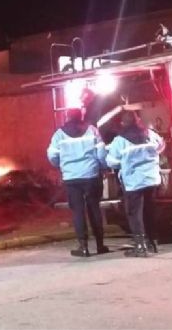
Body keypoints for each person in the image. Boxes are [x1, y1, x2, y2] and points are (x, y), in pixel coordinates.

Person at [47, 108, 109, 257]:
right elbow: (101, 153)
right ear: (81, 116)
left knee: (78, 212)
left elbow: (52, 155)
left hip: (71, 178)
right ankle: (100, 244)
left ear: (67, 117)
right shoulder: (92, 130)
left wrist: (62, 165)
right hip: (91, 175)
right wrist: (102, 166)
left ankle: (83, 246)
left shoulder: (59, 134)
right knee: (94, 209)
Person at [106, 111, 166, 257]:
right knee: (149, 211)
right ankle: (153, 243)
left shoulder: (120, 140)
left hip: (133, 182)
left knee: (135, 213)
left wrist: (126, 162)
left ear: (123, 123)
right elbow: (161, 147)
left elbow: (112, 161)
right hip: (151, 179)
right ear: (137, 120)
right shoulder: (150, 134)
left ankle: (140, 246)